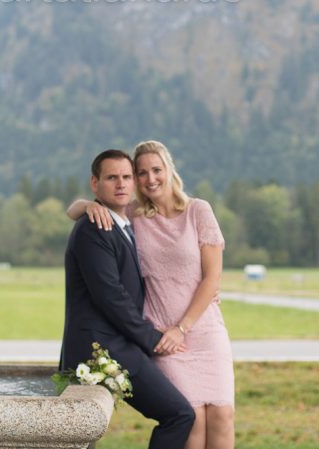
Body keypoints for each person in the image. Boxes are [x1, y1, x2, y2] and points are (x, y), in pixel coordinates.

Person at [67, 140, 235, 449]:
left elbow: (212, 278)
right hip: (160, 333)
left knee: (222, 416)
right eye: (141, 173)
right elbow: (81, 209)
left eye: (156, 170)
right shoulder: (134, 214)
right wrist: (87, 206)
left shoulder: (198, 211)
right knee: (192, 420)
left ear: (170, 169)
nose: (150, 178)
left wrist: (183, 327)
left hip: (202, 327)